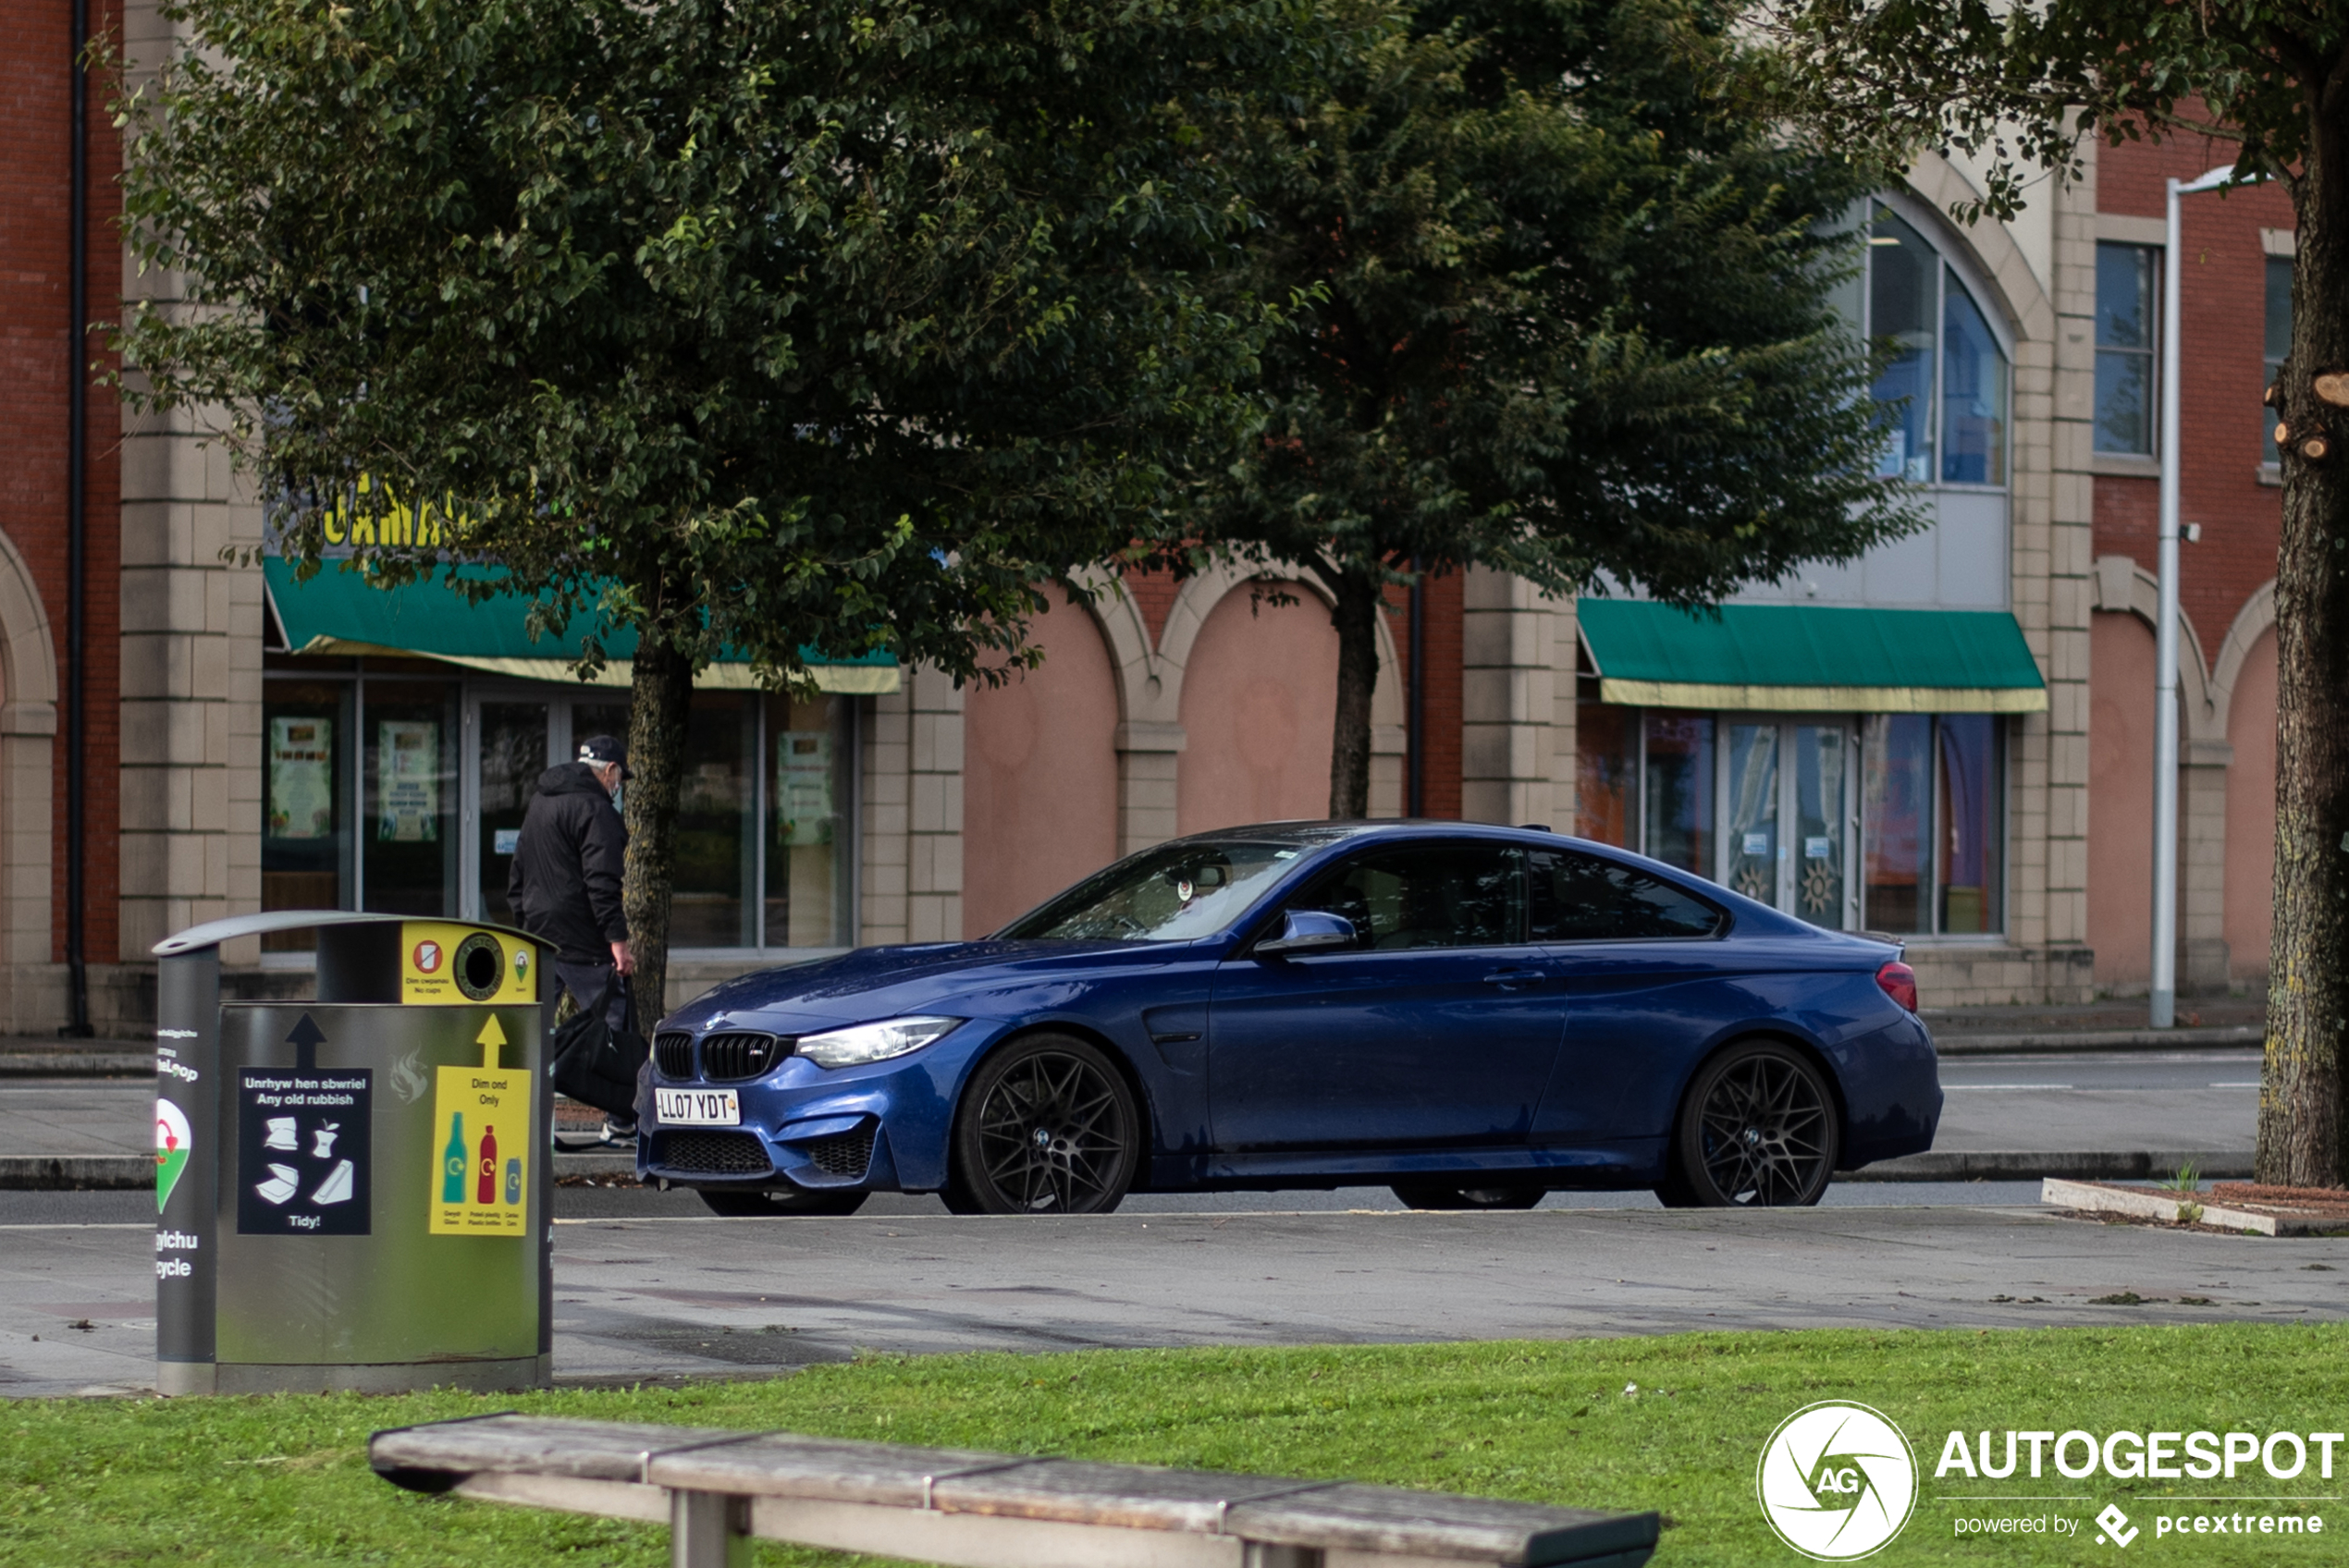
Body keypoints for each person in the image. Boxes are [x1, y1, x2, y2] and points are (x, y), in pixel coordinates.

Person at [509, 734, 636, 1136]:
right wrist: (617, 940)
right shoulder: (596, 810)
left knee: (534, 1026)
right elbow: (602, 882)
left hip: (540, 934)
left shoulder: (541, 801)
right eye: (619, 779)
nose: (618, 788)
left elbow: (519, 868)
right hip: (584, 938)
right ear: (610, 771)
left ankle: (520, 1115)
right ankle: (622, 1120)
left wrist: (523, 924)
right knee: (614, 1027)